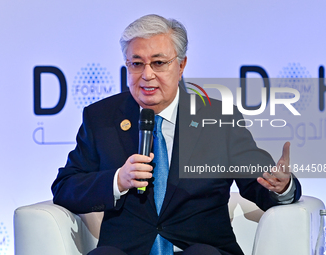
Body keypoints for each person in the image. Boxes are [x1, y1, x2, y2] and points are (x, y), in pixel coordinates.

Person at [52, 14, 301, 255]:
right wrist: (117, 180)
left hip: (199, 249)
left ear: (181, 65)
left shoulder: (220, 117)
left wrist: (281, 186)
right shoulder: (101, 117)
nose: (147, 75)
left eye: (159, 63)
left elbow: (259, 183)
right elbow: (65, 187)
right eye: (137, 64)